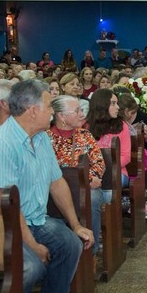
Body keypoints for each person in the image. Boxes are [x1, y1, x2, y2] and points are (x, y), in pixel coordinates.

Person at [0, 79, 92, 293]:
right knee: (31, 266)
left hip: (33, 219)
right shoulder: (2, 143)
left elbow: (56, 182)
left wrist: (75, 225)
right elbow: (7, 204)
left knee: (70, 244)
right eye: (49, 106)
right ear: (32, 110)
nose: (52, 111)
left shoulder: (40, 138)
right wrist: (33, 245)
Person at [50, 95, 105, 252]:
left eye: (81, 110)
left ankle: (91, 251)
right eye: (77, 111)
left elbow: (98, 161)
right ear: (61, 116)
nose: (82, 114)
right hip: (54, 188)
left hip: (85, 186)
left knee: (92, 198)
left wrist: (90, 178)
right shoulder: (45, 138)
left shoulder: (85, 135)